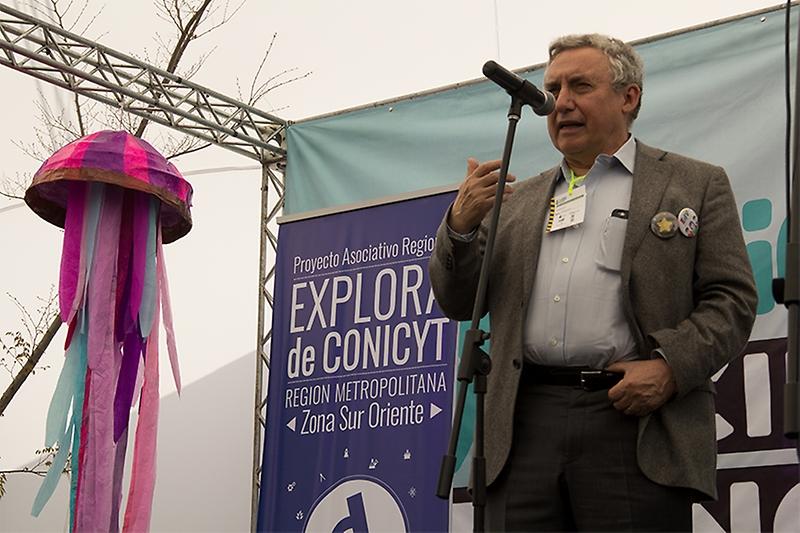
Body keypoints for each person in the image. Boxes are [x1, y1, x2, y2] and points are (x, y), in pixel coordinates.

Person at [429, 33, 758, 531]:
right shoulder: (516, 201)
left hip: (632, 420)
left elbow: (732, 300)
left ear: (629, 97)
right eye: (554, 89)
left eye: (580, 86)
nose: (561, 103)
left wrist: (668, 368)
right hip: (523, 423)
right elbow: (458, 302)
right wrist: (460, 225)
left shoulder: (693, 184)